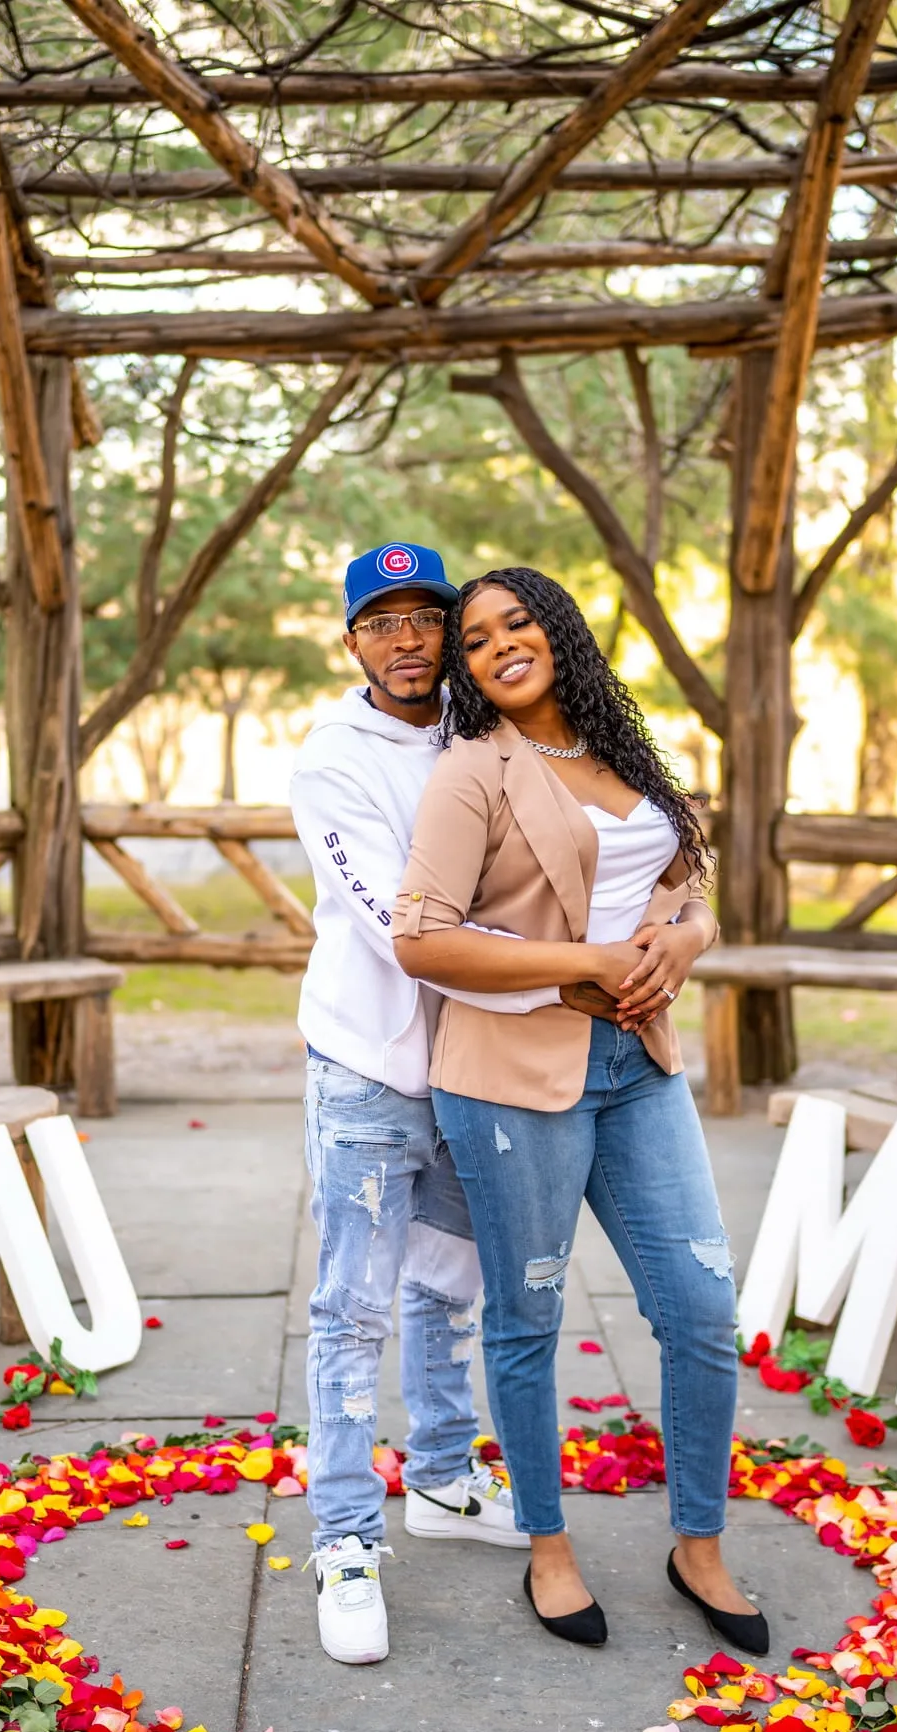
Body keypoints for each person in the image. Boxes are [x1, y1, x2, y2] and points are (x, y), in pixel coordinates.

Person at [391, 566, 767, 1657]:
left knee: (699, 1305)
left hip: (638, 1063)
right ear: (465, 668)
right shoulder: (473, 771)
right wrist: (584, 962)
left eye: (517, 621)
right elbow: (420, 935)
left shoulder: (628, 752)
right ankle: (548, 1547)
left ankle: (698, 1541)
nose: (499, 643)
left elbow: (688, 887)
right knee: (527, 1317)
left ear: (558, 629)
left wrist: (683, 944)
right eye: (475, 638)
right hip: (511, 1076)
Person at [291, 543, 562, 1668]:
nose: (407, 638)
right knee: (355, 1304)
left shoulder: (487, 724)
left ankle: (444, 1479)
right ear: (353, 640)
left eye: (425, 617)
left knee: (452, 1285)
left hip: (473, 1056)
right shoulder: (331, 756)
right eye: (380, 621)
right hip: (368, 1060)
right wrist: (562, 971)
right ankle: (345, 1538)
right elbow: (395, 920)